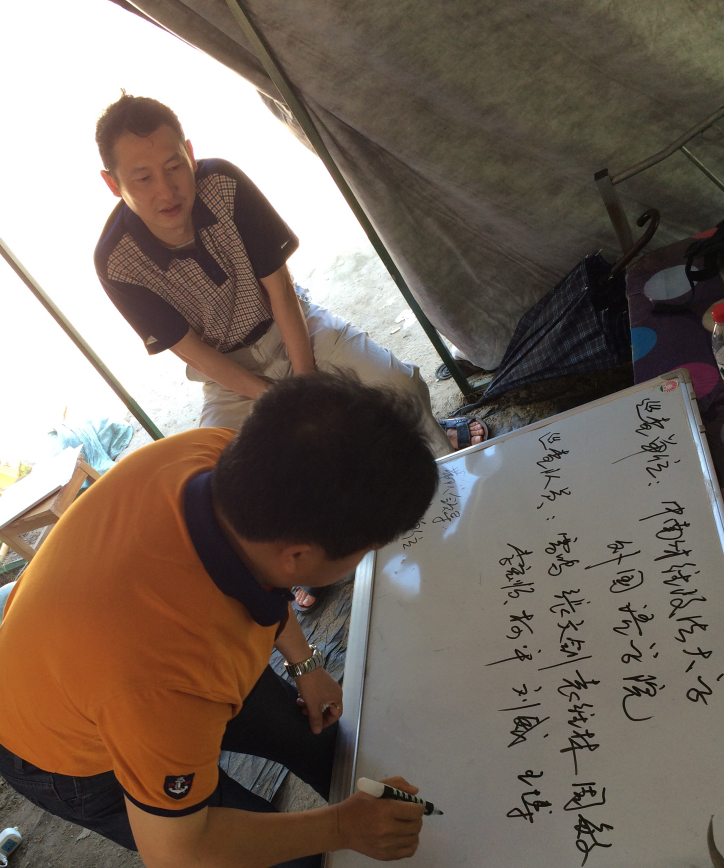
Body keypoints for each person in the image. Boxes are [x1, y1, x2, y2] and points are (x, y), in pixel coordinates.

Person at [0, 376, 435, 868]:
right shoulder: (169, 680)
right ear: (299, 555)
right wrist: (342, 828)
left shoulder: (213, 457)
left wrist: (304, 663)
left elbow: (257, 579)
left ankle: (385, 837)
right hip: (64, 745)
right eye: (364, 552)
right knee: (283, 860)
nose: (366, 558)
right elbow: (179, 848)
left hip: (107, 654)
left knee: (315, 736)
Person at [93, 94, 486, 609]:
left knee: (400, 387)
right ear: (113, 184)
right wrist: (270, 397)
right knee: (227, 484)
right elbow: (188, 349)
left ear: (190, 152)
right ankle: (302, 556)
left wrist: (305, 384)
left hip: (293, 326)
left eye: (174, 166)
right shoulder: (116, 260)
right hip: (226, 369)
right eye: (143, 177)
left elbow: (279, 287)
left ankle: (438, 462)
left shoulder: (224, 184)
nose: (166, 190)